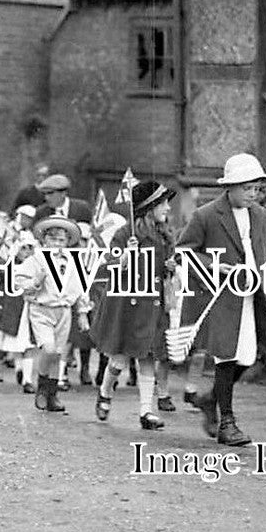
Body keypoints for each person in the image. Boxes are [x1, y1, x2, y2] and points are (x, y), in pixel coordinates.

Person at [177, 154, 266, 446]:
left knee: (249, 357)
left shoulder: (260, 215)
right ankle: (227, 422)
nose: (252, 194)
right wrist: (214, 265)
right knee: (227, 356)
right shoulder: (207, 215)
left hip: (252, 295)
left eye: (256, 188)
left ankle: (209, 399)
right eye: (247, 188)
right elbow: (183, 252)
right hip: (222, 297)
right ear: (231, 187)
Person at [90, 180, 177, 430]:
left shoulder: (164, 235)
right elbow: (110, 265)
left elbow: (162, 269)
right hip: (127, 305)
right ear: (149, 208)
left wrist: (169, 268)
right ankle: (105, 392)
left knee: (148, 358)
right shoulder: (125, 234)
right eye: (163, 204)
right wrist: (127, 256)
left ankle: (146, 412)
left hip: (153, 305)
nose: (168, 209)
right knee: (118, 360)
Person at [15, 214, 91, 414]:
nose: (56, 244)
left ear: (67, 243)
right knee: (48, 349)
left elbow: (80, 289)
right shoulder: (35, 261)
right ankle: (41, 384)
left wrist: (82, 313)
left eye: (61, 240)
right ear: (44, 240)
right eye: (52, 239)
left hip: (63, 311)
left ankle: (53, 393)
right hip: (42, 309)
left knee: (58, 353)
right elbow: (20, 282)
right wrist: (35, 282)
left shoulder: (72, 263)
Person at [0, 231, 37, 391]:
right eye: (24, 248)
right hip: (7, 310)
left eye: (30, 248)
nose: (27, 252)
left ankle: (27, 381)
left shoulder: (39, 267)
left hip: (28, 311)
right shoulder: (7, 267)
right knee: (0, 347)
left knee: (27, 346)